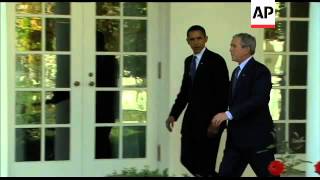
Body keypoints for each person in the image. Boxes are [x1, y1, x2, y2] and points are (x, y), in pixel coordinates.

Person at [165, 25, 229, 177]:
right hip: (191, 121)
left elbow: (223, 94)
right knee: (187, 159)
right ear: (188, 41)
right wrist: (173, 114)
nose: (196, 42)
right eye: (192, 39)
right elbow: (185, 92)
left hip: (210, 122)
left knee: (206, 164)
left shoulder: (216, 60)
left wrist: (216, 123)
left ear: (206, 39)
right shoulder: (189, 61)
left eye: (199, 38)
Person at [210, 33, 277, 177]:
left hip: (257, 140)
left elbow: (259, 99)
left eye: (234, 46)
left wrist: (228, 114)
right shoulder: (236, 72)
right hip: (235, 141)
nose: (230, 49)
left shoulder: (260, 71)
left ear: (246, 49)